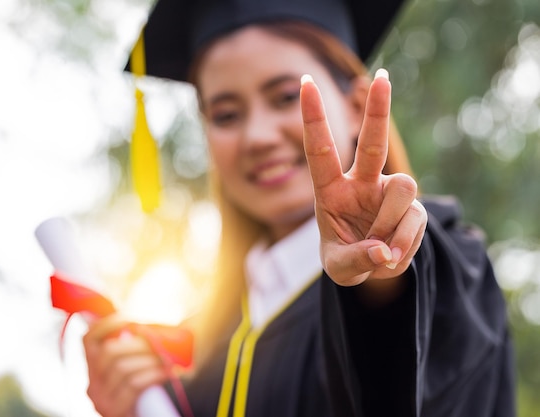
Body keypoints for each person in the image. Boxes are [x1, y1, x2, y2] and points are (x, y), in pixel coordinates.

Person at [82, 0, 516, 416]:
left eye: (287, 97)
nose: (257, 136)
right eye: (226, 114)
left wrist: (378, 278)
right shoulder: (199, 346)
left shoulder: (448, 273)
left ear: (356, 107)